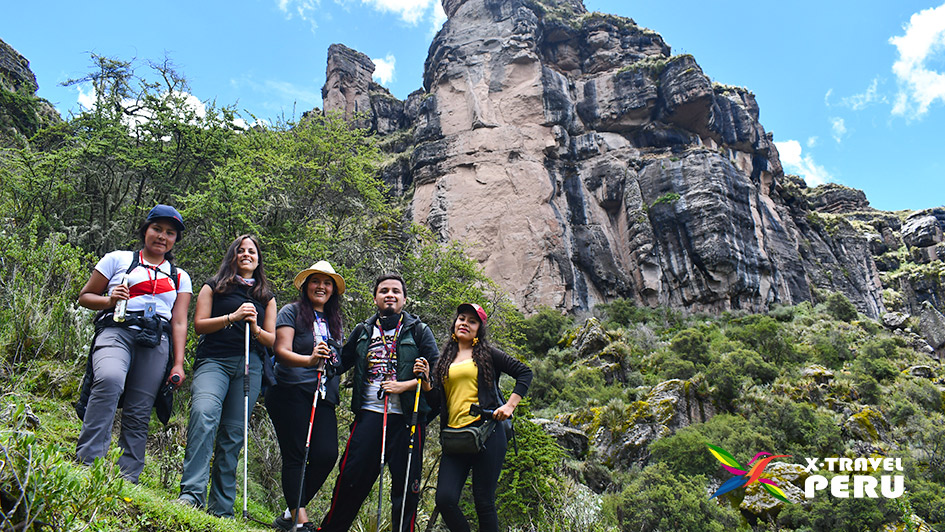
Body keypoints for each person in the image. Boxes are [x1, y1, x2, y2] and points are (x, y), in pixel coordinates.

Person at [75, 204, 192, 483]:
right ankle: (89, 461)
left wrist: (178, 363)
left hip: (157, 340)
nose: (162, 236)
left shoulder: (179, 277)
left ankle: (128, 477)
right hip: (117, 329)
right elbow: (85, 297)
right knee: (109, 380)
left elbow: (179, 322)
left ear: (175, 239)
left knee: (140, 408)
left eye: (170, 233)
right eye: (157, 229)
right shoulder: (117, 259)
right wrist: (110, 300)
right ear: (145, 230)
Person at [316, 273, 439, 532]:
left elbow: (437, 376)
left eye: (396, 291)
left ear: (404, 299)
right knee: (350, 480)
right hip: (369, 415)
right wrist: (325, 352)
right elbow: (341, 363)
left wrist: (409, 383)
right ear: (375, 298)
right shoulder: (363, 331)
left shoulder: (419, 331)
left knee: (406, 488)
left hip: (408, 419)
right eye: (384, 291)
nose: (390, 295)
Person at [177, 234, 276, 516]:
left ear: (258, 259)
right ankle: (192, 493)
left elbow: (272, 341)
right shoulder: (214, 287)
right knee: (204, 414)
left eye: (252, 251)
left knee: (233, 433)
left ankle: (221, 508)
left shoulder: (266, 297)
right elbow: (199, 325)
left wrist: (254, 328)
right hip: (214, 362)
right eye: (241, 250)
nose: (247, 254)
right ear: (232, 255)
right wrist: (231, 317)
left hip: (250, 366)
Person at [431, 303, 532, 532]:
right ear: (455, 323)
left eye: (472, 321)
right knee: (445, 500)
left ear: (479, 329)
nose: (465, 323)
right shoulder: (445, 358)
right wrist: (426, 383)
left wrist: (509, 406)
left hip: (487, 433)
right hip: (455, 436)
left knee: (484, 502)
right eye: (461, 318)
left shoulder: (487, 353)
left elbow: (524, 372)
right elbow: (435, 400)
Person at [267, 261, 347, 531]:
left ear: (333, 290)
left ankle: (289, 515)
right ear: (306, 285)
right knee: (296, 455)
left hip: (322, 396)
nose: (321, 287)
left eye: (327, 283)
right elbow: (281, 351)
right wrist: (310, 359)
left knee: (326, 454)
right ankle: (301, 521)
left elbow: (338, 358)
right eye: (316, 281)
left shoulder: (335, 322)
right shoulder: (291, 312)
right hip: (289, 391)